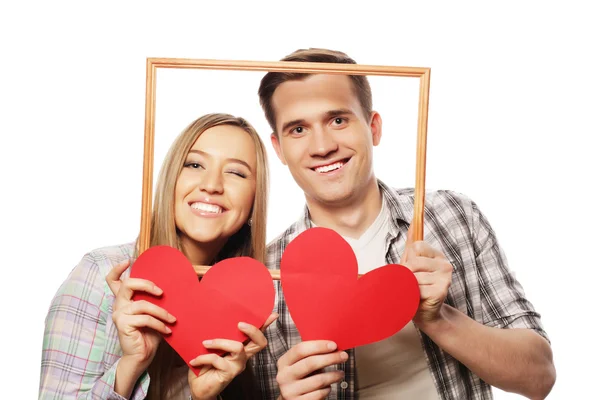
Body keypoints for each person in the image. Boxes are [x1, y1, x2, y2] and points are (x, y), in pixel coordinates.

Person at [252, 49, 556, 400]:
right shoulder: (265, 272)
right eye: (298, 129)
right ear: (278, 148)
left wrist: (438, 318)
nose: (322, 146)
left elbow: (539, 378)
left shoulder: (454, 216)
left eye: (338, 120)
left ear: (374, 127)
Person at [39, 113, 278, 400]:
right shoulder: (100, 273)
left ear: (255, 200)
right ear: (171, 180)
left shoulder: (257, 304)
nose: (212, 184)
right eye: (195, 164)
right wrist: (131, 364)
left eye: (236, 172)